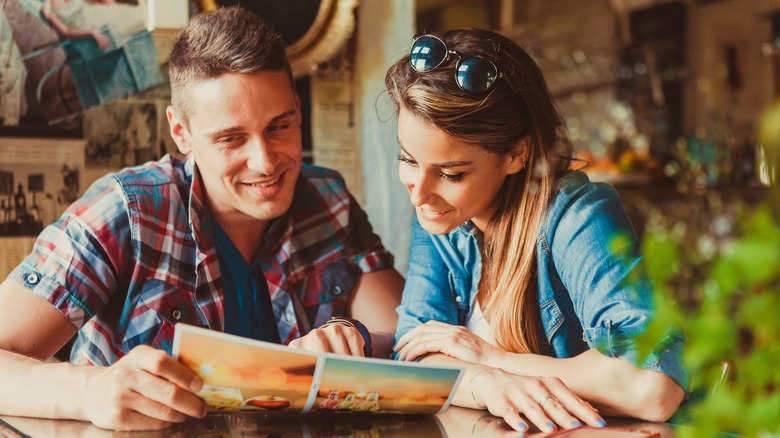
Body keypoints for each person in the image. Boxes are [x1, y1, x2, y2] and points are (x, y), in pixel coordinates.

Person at [0, 7, 403, 431]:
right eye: (231, 138)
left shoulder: (328, 199)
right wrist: (88, 391)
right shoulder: (125, 210)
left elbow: (408, 344)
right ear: (181, 132)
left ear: (297, 110)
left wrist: (350, 334)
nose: (265, 162)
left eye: (279, 126)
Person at [386, 30, 687, 433]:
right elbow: (414, 355)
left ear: (516, 154)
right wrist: (483, 384)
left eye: (451, 173)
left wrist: (490, 358)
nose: (419, 192)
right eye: (408, 159)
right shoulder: (441, 215)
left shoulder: (577, 213)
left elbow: (651, 388)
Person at [40, 0, 147, 51]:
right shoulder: (47, 9)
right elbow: (66, 33)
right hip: (90, 26)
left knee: (133, 12)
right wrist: (91, 33)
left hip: (99, 12)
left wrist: (109, 4)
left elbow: (92, 1)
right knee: (137, 20)